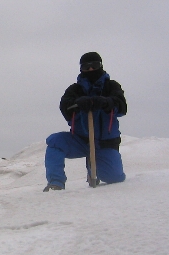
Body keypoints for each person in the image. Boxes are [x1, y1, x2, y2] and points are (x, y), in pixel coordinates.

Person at [44, 52, 127, 191]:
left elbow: (122, 107)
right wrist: (77, 104)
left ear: (100, 65)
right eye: (86, 67)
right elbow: (65, 107)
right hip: (80, 140)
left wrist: (106, 102)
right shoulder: (75, 89)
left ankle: (93, 167)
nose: (90, 69)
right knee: (55, 142)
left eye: (94, 65)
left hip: (105, 143)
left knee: (114, 178)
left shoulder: (111, 86)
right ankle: (56, 183)